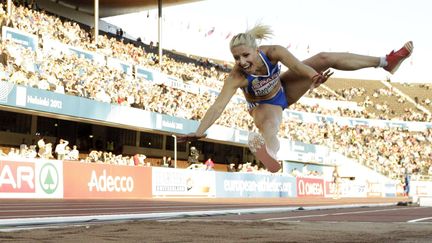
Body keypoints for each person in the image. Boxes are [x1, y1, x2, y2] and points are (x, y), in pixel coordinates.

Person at [178, 23, 413, 173]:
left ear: (257, 50)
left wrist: (314, 76)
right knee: (270, 125)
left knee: (323, 57)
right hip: (263, 105)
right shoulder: (237, 77)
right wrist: (199, 130)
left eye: (245, 55)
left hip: (283, 88)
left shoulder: (274, 52)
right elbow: (218, 105)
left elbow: (298, 66)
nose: (241, 62)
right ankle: (271, 154)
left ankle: (386, 62)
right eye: (236, 57)